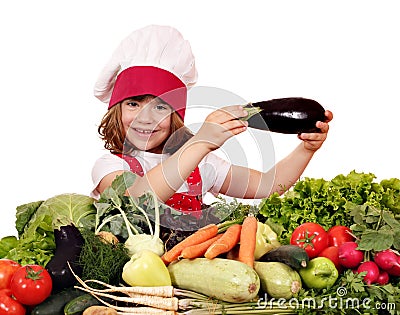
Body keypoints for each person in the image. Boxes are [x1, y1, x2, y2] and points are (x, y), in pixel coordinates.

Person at [91, 25, 333, 218]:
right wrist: (200, 143)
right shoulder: (110, 166)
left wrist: (307, 149)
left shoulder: (203, 164)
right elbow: (134, 201)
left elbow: (267, 185)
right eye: (133, 104)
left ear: (177, 116)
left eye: (161, 107)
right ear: (117, 111)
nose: (146, 118)